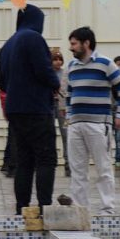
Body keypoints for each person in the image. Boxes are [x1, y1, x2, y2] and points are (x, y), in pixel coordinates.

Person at [0, 4, 61, 215]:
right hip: (36, 107)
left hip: (15, 109)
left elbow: (3, 81)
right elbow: (44, 70)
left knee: (24, 160)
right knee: (46, 158)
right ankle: (44, 207)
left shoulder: (8, 44)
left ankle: (22, 208)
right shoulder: (33, 38)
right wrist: (55, 83)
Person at [66, 27, 120, 214]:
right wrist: (69, 116)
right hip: (76, 124)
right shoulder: (72, 66)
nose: (71, 47)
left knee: (103, 168)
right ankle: (80, 210)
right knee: (77, 170)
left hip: (98, 124)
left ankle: (107, 209)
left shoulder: (105, 63)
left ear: (86, 43)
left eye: (74, 43)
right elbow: (69, 93)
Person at [51, 49, 70, 177]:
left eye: (60, 59)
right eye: (55, 59)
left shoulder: (65, 73)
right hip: (50, 104)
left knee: (66, 133)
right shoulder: (47, 73)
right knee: (49, 133)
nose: (58, 62)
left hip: (63, 106)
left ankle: (68, 160)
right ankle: (51, 159)